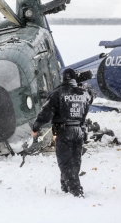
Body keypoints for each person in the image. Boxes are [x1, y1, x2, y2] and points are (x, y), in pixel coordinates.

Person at [32, 68, 94, 197]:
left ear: (64, 78)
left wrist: (36, 126)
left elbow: (46, 112)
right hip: (79, 131)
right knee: (75, 161)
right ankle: (66, 187)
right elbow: (90, 96)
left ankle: (75, 191)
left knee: (65, 162)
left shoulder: (58, 93)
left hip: (64, 131)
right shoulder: (84, 94)